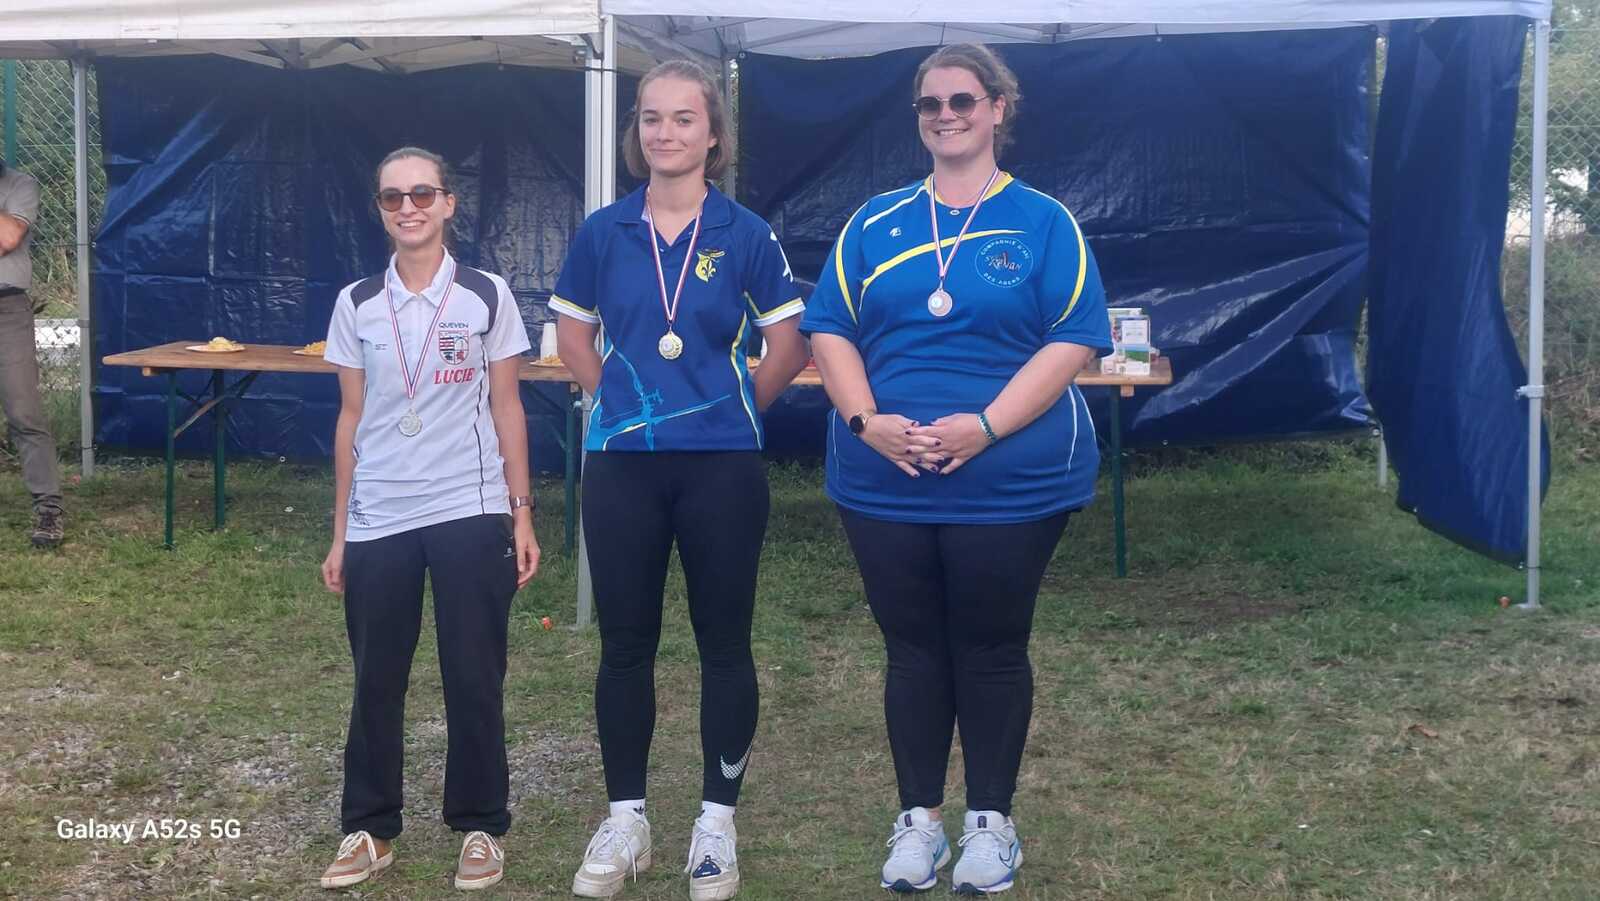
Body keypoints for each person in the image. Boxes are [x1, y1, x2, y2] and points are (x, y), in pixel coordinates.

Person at [800, 44, 1113, 896]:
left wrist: (984, 426)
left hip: (1010, 480)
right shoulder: (875, 221)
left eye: (963, 100)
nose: (946, 116)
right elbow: (829, 328)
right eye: (930, 104)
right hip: (884, 477)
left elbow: (1074, 338)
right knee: (911, 648)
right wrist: (865, 422)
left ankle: (989, 825)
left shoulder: (1044, 221)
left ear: (997, 108)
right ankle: (919, 822)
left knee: (990, 645)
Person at [551, 59, 809, 901]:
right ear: (637, 132)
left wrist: (731, 411)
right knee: (625, 645)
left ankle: (715, 825)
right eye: (651, 118)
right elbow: (573, 333)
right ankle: (626, 819)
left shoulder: (746, 233)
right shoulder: (604, 230)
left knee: (723, 643)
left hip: (721, 469)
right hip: (622, 466)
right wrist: (616, 404)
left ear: (714, 136)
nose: (665, 132)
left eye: (684, 118)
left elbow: (789, 342)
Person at [317, 146, 539, 892]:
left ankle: (480, 826)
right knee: (376, 677)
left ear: (448, 203)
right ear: (379, 209)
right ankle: (370, 828)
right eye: (392, 197)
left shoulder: (486, 294)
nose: (407, 208)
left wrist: (521, 513)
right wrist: (341, 532)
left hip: (468, 507)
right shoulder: (356, 303)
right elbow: (351, 418)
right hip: (380, 514)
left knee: (473, 673)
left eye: (421, 194)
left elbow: (508, 407)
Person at [0, 159, 64, 547]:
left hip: (7, 309)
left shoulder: (20, 184)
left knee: (24, 411)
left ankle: (48, 509)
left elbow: (7, 237)